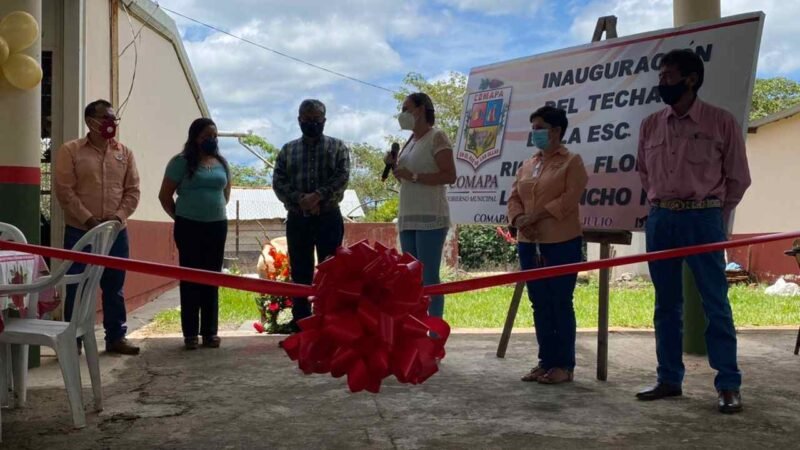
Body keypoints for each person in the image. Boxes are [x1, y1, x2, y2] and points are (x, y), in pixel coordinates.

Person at [636, 49, 751, 413]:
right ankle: (669, 379)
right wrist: (663, 206)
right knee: (666, 304)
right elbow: (644, 172)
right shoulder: (651, 124)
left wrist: (713, 213)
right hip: (661, 220)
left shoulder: (720, 122)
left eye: (668, 76)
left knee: (714, 302)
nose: (662, 83)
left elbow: (738, 179)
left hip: (703, 219)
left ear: (691, 79)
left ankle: (728, 384)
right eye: (660, 76)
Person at [507, 106, 588, 384]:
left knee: (560, 303)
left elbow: (569, 198)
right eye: (533, 128)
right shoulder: (529, 163)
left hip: (561, 243)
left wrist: (538, 215)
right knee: (539, 304)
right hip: (529, 242)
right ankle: (546, 362)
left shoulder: (572, 161)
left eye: (539, 127)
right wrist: (519, 219)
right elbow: (514, 196)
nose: (535, 133)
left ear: (556, 131)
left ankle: (564, 365)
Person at [53, 99, 140, 355]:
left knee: (114, 286)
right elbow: (64, 191)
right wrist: (90, 220)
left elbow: (133, 191)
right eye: (107, 118)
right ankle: (73, 340)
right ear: (91, 122)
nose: (112, 123)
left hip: (116, 233)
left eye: (114, 119)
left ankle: (116, 337)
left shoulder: (124, 153)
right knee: (77, 285)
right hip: (81, 231)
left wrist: (117, 218)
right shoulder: (71, 151)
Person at [273, 99, 350, 330]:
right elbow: (278, 181)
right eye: (307, 120)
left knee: (332, 271)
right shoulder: (288, 150)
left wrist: (318, 196)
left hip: (329, 217)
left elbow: (342, 177)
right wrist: (301, 200)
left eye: (316, 120)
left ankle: (330, 322)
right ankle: (302, 322)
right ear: (299, 121)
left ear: (324, 121)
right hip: (298, 219)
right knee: (300, 272)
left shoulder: (338, 147)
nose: (312, 124)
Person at [159, 118, 230, 350]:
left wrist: (212, 211)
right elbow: (165, 196)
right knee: (190, 278)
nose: (212, 140)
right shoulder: (180, 163)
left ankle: (210, 332)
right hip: (189, 227)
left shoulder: (221, 163)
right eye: (206, 136)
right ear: (195, 137)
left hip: (216, 226)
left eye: (214, 136)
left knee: (212, 278)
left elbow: (225, 194)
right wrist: (180, 217)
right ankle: (190, 333)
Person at [386, 92, 457, 318]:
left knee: (429, 278)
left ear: (422, 109)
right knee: (411, 277)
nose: (403, 114)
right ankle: (415, 329)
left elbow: (449, 175)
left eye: (407, 109)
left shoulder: (437, 137)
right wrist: (396, 167)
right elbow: (407, 179)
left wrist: (414, 175)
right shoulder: (409, 142)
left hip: (430, 216)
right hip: (408, 216)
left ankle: (434, 333)